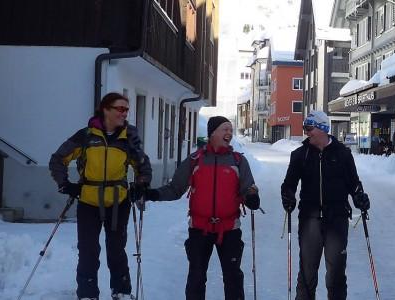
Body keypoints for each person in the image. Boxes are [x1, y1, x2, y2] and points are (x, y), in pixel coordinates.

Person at [140, 116, 260, 300]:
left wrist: (251, 196)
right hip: (199, 229)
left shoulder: (238, 161)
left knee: (233, 278)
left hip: (229, 229)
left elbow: (248, 187)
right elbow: (176, 188)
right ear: (212, 133)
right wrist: (154, 194)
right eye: (224, 129)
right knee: (196, 278)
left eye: (230, 129)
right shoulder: (195, 160)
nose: (229, 133)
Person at [49, 92, 152, 300]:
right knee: (88, 251)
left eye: (126, 109)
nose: (124, 113)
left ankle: (121, 292)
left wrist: (140, 185)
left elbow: (143, 166)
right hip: (88, 201)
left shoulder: (128, 138)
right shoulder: (86, 135)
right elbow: (58, 159)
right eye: (120, 109)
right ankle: (87, 294)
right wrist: (65, 185)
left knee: (116, 250)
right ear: (106, 109)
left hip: (118, 202)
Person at [281, 110, 370, 300]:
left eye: (309, 128)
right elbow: (288, 184)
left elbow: (353, 183)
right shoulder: (300, 155)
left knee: (336, 274)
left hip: (336, 220)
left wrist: (359, 197)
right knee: (307, 273)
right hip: (309, 220)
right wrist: (288, 196)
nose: (306, 132)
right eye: (305, 128)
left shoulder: (343, 154)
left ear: (322, 128)